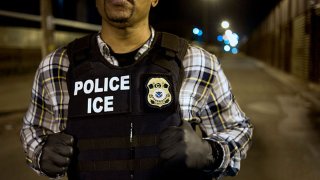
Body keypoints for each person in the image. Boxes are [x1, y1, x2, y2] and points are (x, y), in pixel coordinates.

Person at [21, 0, 253, 179]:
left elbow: (238, 128)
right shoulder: (58, 66)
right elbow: (33, 128)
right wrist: (40, 152)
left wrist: (211, 152)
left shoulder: (196, 62)